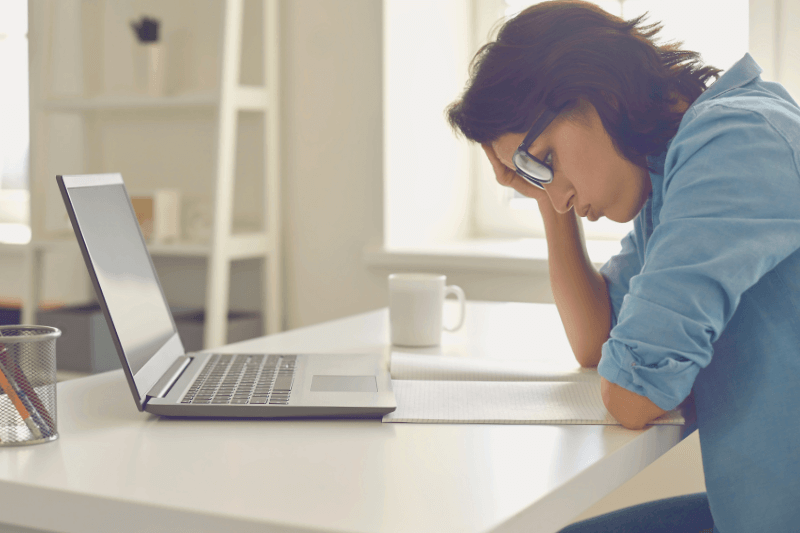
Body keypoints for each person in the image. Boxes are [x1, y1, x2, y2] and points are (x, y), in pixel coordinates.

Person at [446, 1, 800, 532]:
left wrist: (547, 179)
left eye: (543, 157)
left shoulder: (735, 144)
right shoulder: (671, 173)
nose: (560, 196)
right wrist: (546, 194)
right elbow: (597, 342)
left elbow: (634, 395)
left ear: (599, 94)